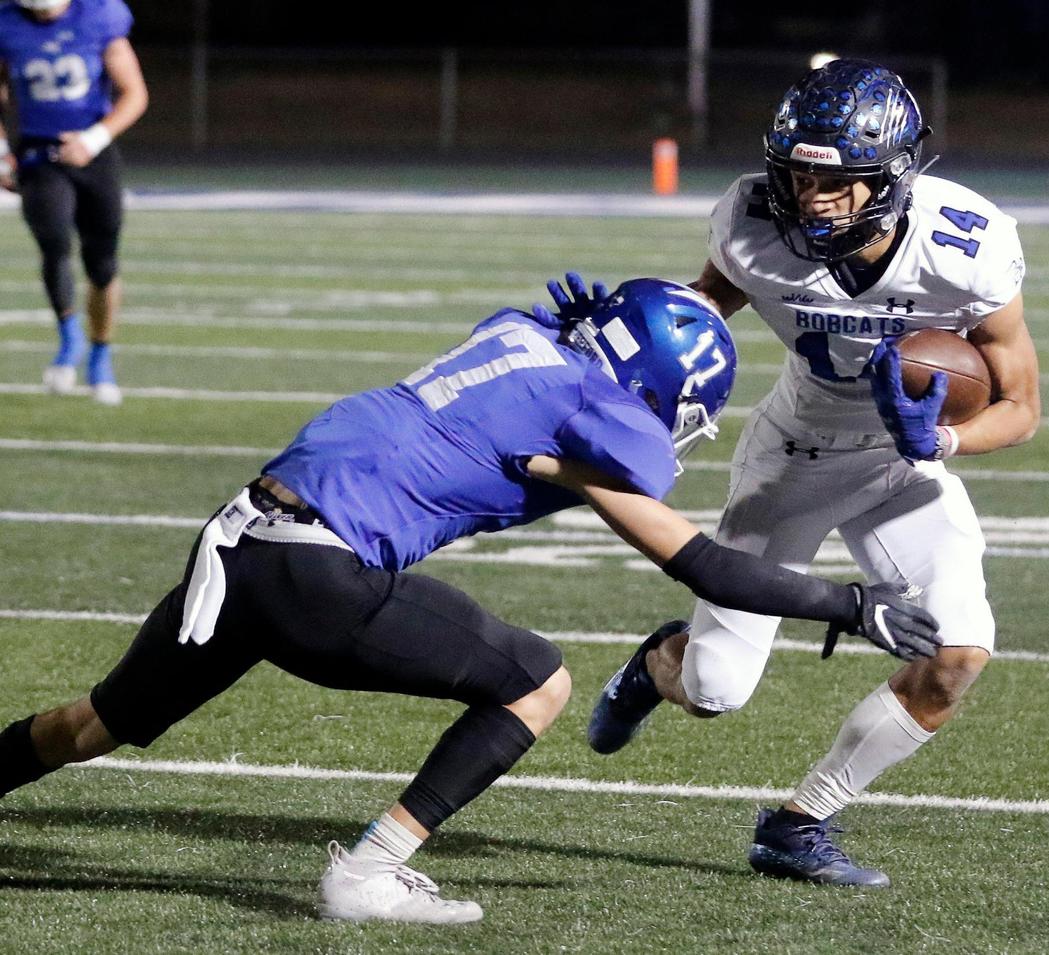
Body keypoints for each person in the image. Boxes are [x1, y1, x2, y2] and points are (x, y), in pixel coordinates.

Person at [0, 278, 938, 923]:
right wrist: (849, 605)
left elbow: (539, 338)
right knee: (538, 682)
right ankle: (367, 873)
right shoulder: (601, 427)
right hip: (323, 571)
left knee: (95, 722)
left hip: (240, 540)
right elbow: (703, 566)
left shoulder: (517, 335)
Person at [583, 59, 1040, 888]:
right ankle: (660, 662)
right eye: (797, 175)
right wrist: (624, 328)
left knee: (959, 654)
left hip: (901, 464)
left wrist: (942, 442)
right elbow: (702, 307)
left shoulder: (965, 249)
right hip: (792, 455)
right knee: (715, 689)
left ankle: (798, 823)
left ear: (895, 176)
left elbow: (1021, 407)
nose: (811, 199)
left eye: (839, 183)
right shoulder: (752, 220)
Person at [0, 0, 148, 406]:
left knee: (102, 264)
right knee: (53, 239)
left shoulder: (99, 14)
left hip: (94, 153)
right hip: (39, 154)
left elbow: (134, 93)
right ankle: (70, 338)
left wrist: (93, 140)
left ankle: (101, 354)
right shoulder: (6, 20)